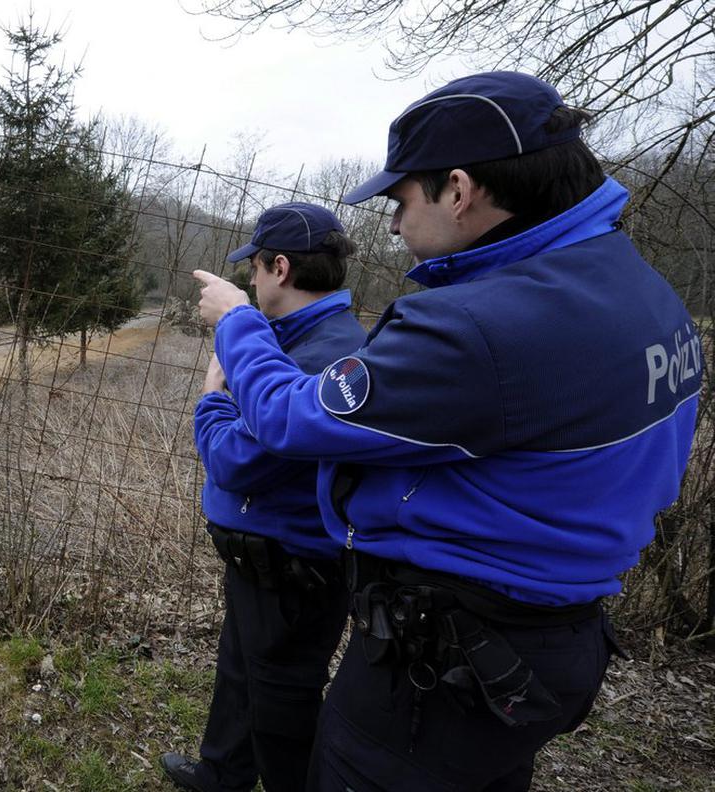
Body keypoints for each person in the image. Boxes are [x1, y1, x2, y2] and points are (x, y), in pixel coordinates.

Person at [191, 71, 699, 791]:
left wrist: (237, 325)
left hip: (444, 663)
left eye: (401, 200)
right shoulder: (648, 297)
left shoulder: (478, 327)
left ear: (458, 190)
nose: (392, 224)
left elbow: (284, 420)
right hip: (555, 638)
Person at [162, 203, 366, 792]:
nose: (250, 280)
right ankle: (221, 774)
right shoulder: (294, 340)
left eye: (253, 267)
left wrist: (212, 397)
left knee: (282, 702)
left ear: (279, 267)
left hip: (295, 573)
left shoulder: (324, 355)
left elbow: (236, 461)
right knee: (239, 671)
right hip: (263, 561)